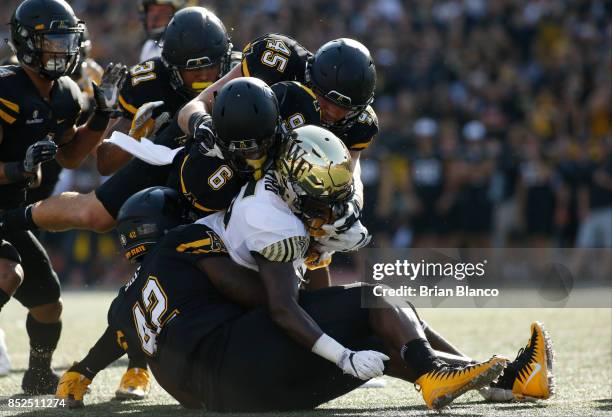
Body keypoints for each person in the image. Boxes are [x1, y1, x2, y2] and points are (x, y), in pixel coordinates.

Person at [0, 0, 124, 394]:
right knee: (7, 272)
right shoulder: (5, 89)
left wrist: (101, 116)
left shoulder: (66, 93)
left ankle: (37, 375)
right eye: (51, 40)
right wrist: (19, 168)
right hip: (8, 201)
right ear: (27, 43)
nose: (61, 49)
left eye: (65, 39)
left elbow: (70, 154)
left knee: (48, 304)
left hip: (10, 210)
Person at [97, 6, 238, 175]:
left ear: (225, 58)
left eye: (212, 66)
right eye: (193, 70)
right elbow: (104, 165)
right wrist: (133, 137)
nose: (204, 76)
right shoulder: (151, 84)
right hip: (166, 180)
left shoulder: (240, 75)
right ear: (172, 68)